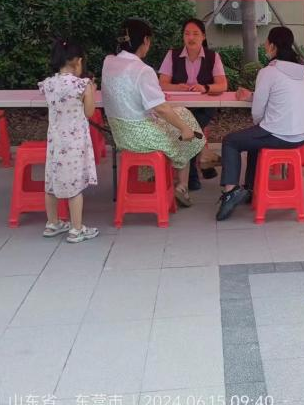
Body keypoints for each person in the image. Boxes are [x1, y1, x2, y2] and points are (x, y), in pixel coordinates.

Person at [215, 26, 304, 221]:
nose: (265, 45)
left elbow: (258, 111)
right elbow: (281, 95)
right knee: (255, 140)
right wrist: (251, 96)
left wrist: (259, 124)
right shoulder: (302, 71)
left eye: (266, 42)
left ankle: (230, 192)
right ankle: (250, 189)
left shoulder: (268, 72)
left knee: (230, 141)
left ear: (273, 46)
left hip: (281, 135)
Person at [101, 18, 205, 208]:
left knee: (182, 113)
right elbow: (161, 108)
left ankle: (185, 175)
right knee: (183, 134)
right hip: (141, 136)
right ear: (146, 40)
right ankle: (182, 183)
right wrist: (184, 129)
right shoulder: (142, 70)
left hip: (120, 134)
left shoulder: (108, 62)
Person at [39, 39, 99, 243]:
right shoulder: (82, 85)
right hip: (75, 144)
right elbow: (89, 112)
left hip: (55, 142)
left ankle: (52, 223)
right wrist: (91, 91)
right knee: (75, 186)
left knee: (51, 183)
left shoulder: (48, 84)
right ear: (78, 61)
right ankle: (76, 229)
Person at [158, 18, 227, 190]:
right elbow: (162, 83)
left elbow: (222, 85)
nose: (191, 38)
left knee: (189, 127)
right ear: (183, 36)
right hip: (179, 108)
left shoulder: (213, 57)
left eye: (196, 34)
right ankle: (202, 161)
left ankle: (193, 176)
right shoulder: (172, 55)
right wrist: (177, 87)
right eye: (187, 34)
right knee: (188, 126)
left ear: (203, 36)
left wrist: (205, 87)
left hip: (204, 108)